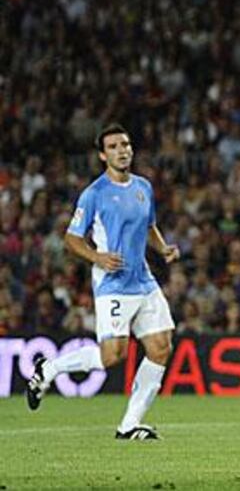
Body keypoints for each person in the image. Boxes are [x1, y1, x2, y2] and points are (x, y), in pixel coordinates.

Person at [25, 124, 180, 440]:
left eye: (125, 144)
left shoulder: (143, 187)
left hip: (143, 280)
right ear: (102, 155)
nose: (122, 150)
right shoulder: (94, 193)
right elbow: (71, 238)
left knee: (161, 347)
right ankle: (48, 370)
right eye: (113, 146)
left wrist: (162, 247)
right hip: (113, 284)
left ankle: (129, 425)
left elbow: (149, 225)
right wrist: (97, 257)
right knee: (112, 356)